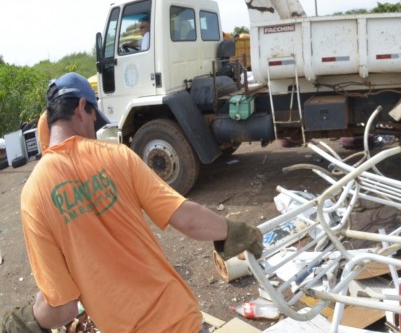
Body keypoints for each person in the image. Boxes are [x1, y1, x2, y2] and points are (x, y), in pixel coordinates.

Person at [18, 72, 263, 332]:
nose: (93, 129)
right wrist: (231, 231)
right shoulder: (117, 156)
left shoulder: (33, 196)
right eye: (93, 118)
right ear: (81, 108)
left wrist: (28, 318)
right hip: (180, 320)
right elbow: (185, 218)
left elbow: (63, 309)